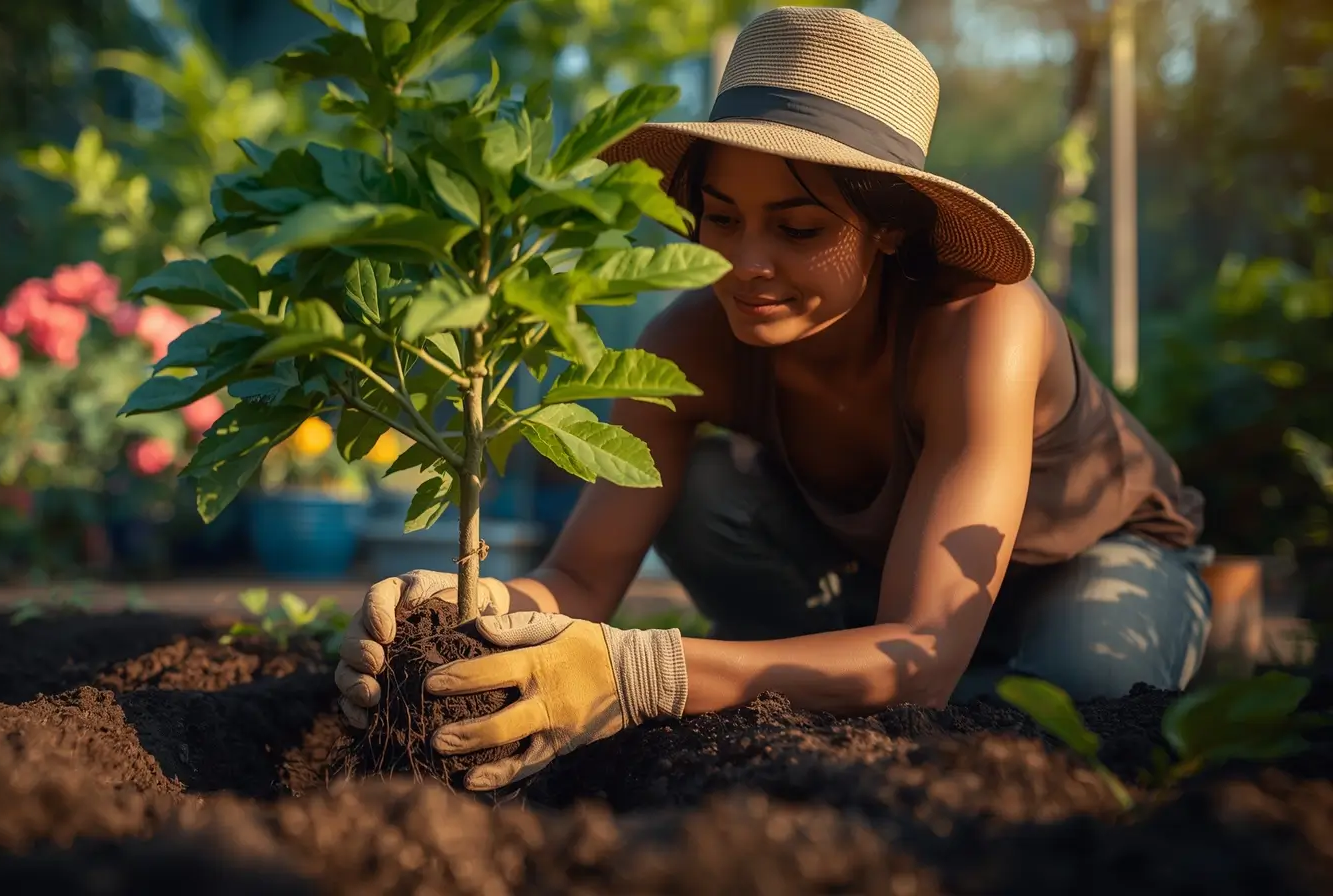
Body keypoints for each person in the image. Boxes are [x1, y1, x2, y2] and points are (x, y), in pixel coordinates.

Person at [333, 6, 1213, 792]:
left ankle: (856, 679)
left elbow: (922, 651)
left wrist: (641, 674)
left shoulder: (982, 327)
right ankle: (826, 679)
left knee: (1080, 708)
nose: (746, 264)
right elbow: (579, 580)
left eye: (798, 228)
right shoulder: (687, 344)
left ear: (889, 228)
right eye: (721, 219)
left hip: (1089, 563)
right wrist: (464, 612)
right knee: (696, 490)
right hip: (882, 590)